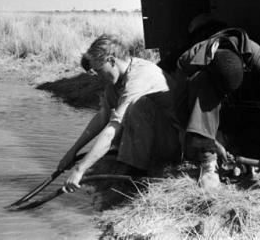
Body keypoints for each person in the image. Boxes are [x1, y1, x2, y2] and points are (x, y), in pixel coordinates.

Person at [166, 26, 260, 191]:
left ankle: (242, 159)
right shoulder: (190, 61)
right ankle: (209, 164)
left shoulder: (256, 56)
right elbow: (180, 110)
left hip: (248, 112)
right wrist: (213, 142)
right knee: (200, 83)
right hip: (214, 119)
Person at [59, 34, 183, 193]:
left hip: (176, 142)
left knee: (139, 106)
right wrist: (72, 151)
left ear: (111, 60)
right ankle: (131, 165)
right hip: (158, 137)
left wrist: (80, 169)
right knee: (125, 112)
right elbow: (102, 117)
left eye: (99, 70)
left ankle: (135, 175)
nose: (98, 76)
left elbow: (113, 128)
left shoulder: (139, 77)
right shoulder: (115, 82)